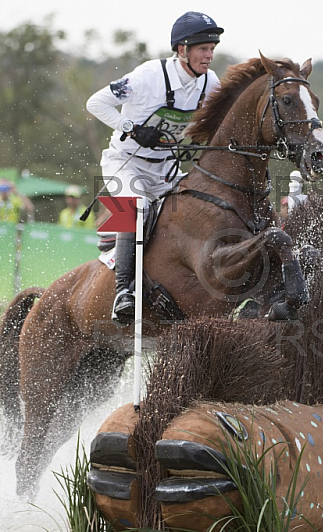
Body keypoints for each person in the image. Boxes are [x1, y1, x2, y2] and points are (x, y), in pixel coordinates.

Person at [85, 11, 223, 325]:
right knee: (137, 207)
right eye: (203, 48)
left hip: (167, 170)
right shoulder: (148, 76)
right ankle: (123, 291)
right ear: (182, 49)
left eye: (212, 48)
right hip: (126, 164)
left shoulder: (210, 83)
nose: (209, 54)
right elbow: (96, 103)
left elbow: (207, 127)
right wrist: (131, 127)